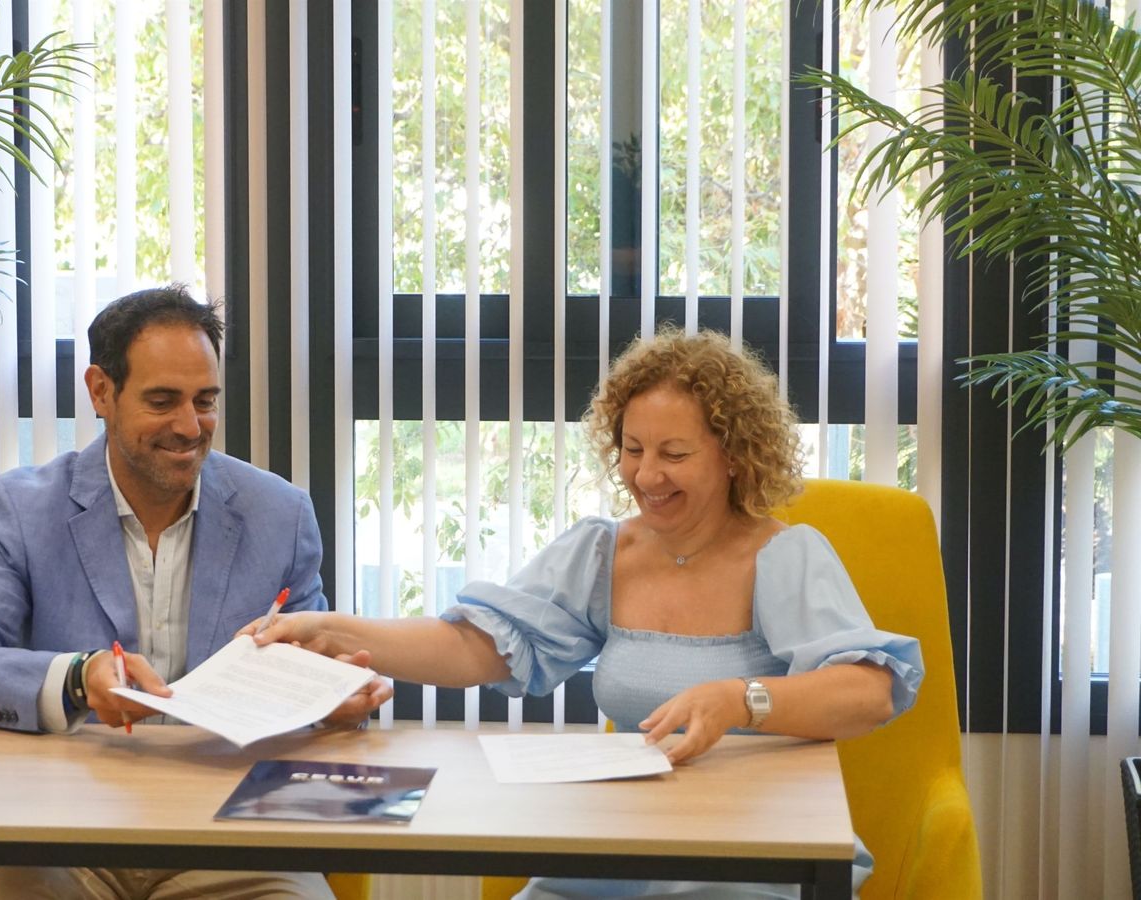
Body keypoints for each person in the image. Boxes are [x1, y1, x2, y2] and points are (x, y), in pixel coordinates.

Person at [246, 328, 924, 899]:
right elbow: (474, 646)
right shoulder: (604, 552)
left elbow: (868, 691)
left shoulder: (784, 556)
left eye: (674, 454)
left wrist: (739, 700)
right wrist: (327, 629)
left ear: (734, 457)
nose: (646, 476)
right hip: (615, 854)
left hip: (744, 861)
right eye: (633, 450)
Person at [0, 285, 390, 900]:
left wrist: (334, 699)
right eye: (163, 401)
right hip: (60, 835)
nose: (190, 427)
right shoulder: (23, 510)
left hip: (231, 837)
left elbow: (310, 678)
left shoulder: (280, 516)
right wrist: (79, 679)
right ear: (101, 392)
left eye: (205, 401)